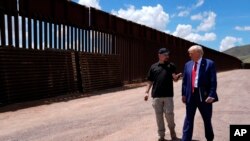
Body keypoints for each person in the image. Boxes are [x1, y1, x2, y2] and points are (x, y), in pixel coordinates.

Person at [181, 45, 219, 141]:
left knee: (207, 119)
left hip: (204, 95)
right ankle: (185, 139)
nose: (189, 55)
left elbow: (213, 81)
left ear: (198, 53)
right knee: (188, 119)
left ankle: (209, 138)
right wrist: (184, 94)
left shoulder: (209, 64)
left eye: (191, 53)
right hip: (191, 95)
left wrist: (211, 95)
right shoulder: (188, 64)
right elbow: (185, 81)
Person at [145, 48, 182, 141]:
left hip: (168, 95)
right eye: (165, 55)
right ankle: (161, 136)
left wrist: (177, 77)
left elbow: (174, 79)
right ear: (159, 55)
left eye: (168, 55)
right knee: (159, 116)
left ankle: (173, 134)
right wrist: (146, 92)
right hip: (156, 96)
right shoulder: (153, 67)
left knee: (169, 115)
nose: (167, 56)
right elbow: (150, 81)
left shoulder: (171, 65)